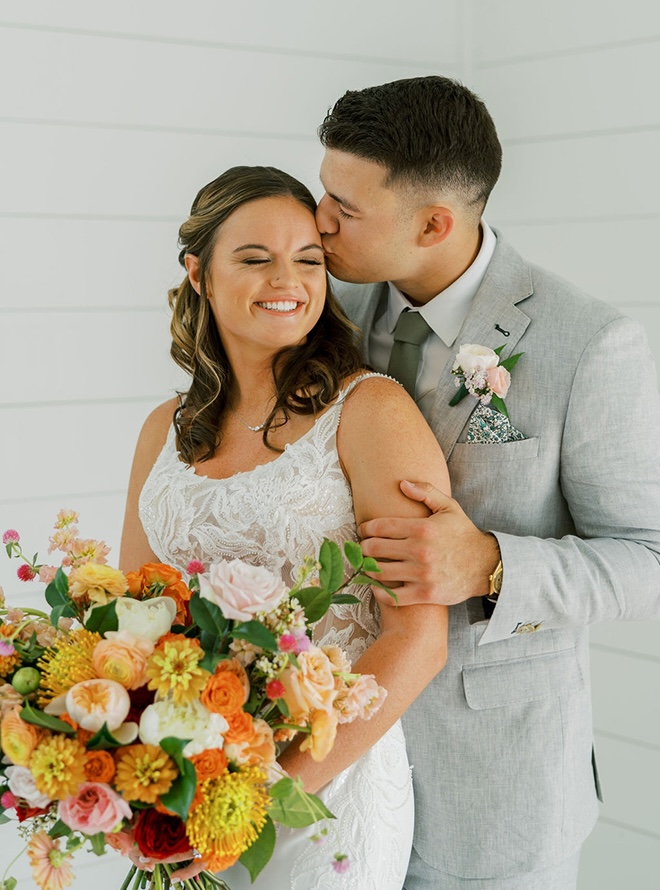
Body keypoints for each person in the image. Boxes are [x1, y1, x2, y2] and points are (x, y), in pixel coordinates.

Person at [284, 75, 660, 889]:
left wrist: (492, 564)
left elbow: (648, 561)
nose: (319, 220)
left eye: (345, 207)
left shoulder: (590, 343)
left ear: (434, 223)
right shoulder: (323, 306)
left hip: (497, 792)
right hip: (331, 768)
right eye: (325, 191)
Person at [119, 165, 450, 889]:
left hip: (327, 789)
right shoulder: (162, 429)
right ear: (199, 274)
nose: (287, 280)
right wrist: (131, 772)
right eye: (255, 258)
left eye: (307, 260)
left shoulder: (370, 412)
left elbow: (417, 638)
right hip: (190, 778)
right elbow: (134, 619)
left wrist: (264, 795)